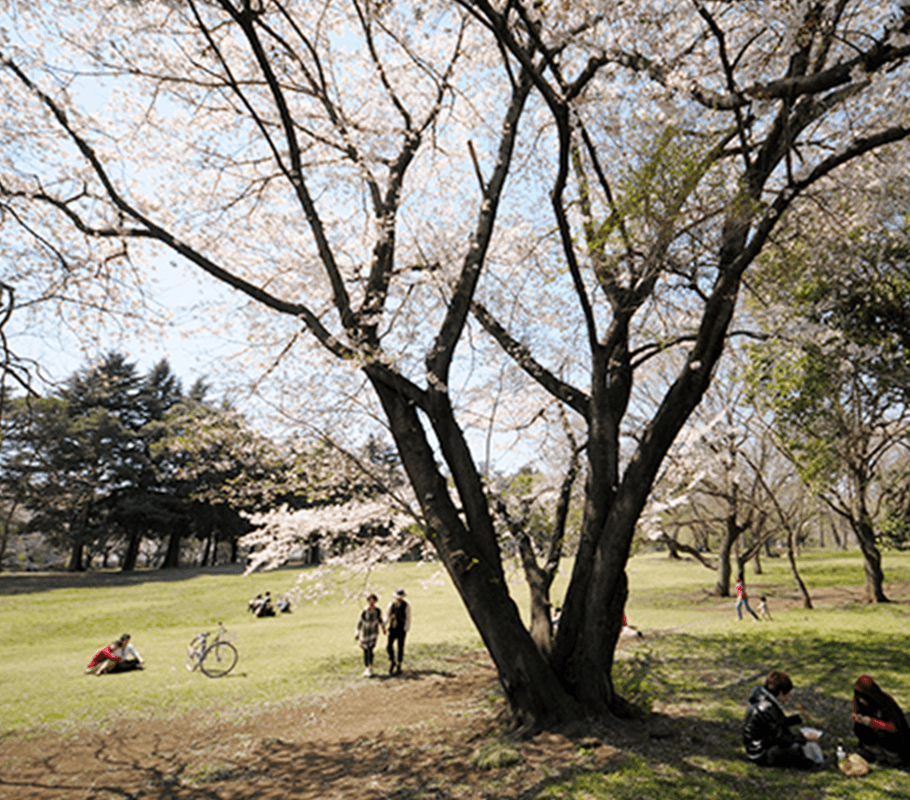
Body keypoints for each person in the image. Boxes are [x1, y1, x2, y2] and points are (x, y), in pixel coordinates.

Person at [742, 669, 821, 768]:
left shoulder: (763, 701)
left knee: (796, 746)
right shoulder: (768, 707)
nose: (787, 698)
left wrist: (798, 718)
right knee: (796, 748)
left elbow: (777, 723)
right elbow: (781, 738)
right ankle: (811, 764)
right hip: (761, 753)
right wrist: (804, 738)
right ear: (780, 693)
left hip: (756, 748)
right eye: (787, 694)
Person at [852, 674, 910, 767]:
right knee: (859, 728)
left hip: (890, 737)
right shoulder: (859, 700)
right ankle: (874, 752)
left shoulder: (885, 703)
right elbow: (855, 713)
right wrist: (859, 719)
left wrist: (872, 722)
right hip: (872, 732)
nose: (861, 701)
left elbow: (894, 727)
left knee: (883, 734)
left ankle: (892, 756)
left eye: (863, 698)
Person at [355, 593, 385, 677]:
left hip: (373, 633)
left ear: (375, 601)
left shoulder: (377, 611)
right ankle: (367, 667)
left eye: (373, 601)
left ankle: (370, 667)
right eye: (370, 600)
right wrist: (357, 633)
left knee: (370, 649)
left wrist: (383, 628)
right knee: (365, 650)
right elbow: (360, 622)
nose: (371, 602)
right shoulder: (365, 611)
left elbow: (380, 620)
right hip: (365, 633)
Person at [385, 588, 411, 675]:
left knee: (400, 647)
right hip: (392, 628)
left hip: (401, 628)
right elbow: (387, 615)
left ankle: (399, 664)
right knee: (389, 646)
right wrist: (384, 624)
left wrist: (406, 628)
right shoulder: (391, 605)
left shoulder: (406, 606)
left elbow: (408, 617)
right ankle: (392, 661)